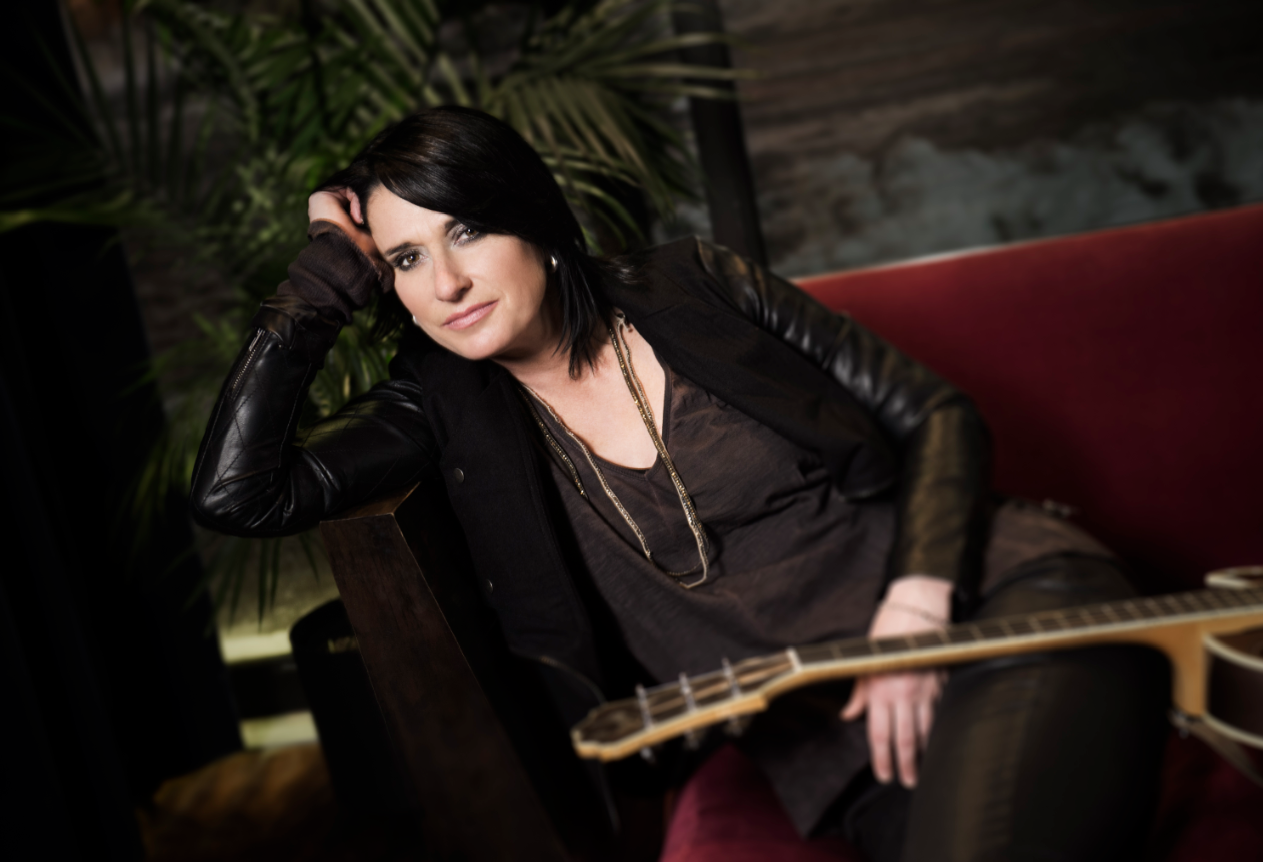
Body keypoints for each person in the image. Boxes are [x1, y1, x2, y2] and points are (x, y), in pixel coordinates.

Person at [192, 106, 1169, 861]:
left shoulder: (695, 286)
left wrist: (917, 612)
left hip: (994, 616)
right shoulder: (438, 408)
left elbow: (936, 415)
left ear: (532, 221)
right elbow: (240, 492)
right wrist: (324, 276)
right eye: (407, 257)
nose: (445, 283)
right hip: (845, 746)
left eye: (469, 230)